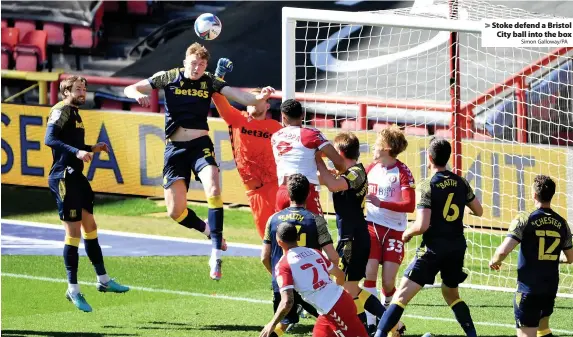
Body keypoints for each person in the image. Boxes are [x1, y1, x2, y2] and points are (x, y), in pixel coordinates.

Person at [124, 43, 274, 280]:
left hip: (200, 146)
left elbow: (241, 96)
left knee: (214, 186)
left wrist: (260, 97)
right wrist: (138, 94)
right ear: (185, 62)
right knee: (176, 212)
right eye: (193, 63)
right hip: (174, 149)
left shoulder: (210, 81)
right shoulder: (169, 76)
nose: (197, 68)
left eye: (202, 64)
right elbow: (131, 88)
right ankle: (207, 230)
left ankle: (215, 254)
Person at [374, 137, 483, 337]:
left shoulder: (427, 185)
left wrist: (407, 233)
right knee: (451, 294)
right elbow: (479, 210)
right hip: (457, 246)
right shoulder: (461, 182)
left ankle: (379, 335)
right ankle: (472, 335)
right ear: (447, 157)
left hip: (433, 249)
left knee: (402, 295)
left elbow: (422, 225)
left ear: (429, 157)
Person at [45, 75, 129, 313]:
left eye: (84, 88)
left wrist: (92, 148)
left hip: (76, 176)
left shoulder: (75, 113)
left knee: (90, 227)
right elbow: (49, 139)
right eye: (78, 89)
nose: (83, 92)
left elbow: (72, 143)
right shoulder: (60, 110)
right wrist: (79, 152)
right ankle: (73, 289)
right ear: (66, 92)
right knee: (73, 233)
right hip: (63, 176)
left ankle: (103, 280)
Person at [316, 132, 386, 333]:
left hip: (352, 239)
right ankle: (386, 325)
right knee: (352, 289)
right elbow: (324, 179)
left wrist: (318, 160)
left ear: (340, 152)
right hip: (354, 236)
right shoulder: (348, 172)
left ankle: (380, 324)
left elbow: (332, 184)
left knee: (341, 288)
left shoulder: (356, 172)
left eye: (333, 154)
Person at [489, 175, 573, 337]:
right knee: (543, 328)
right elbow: (570, 257)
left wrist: (494, 261)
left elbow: (503, 251)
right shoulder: (563, 223)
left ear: (534, 195)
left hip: (529, 290)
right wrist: (556, 259)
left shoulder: (525, 219)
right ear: (552, 195)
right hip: (550, 289)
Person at [211, 58, 282, 239]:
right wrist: (219, 75)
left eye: (258, 99)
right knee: (268, 241)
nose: (253, 103)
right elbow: (217, 96)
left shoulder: (277, 128)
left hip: (279, 187)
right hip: (257, 191)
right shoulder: (237, 119)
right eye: (250, 100)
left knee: (288, 237)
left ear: (267, 105)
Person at [261, 174, 339, 336]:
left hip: (283, 285)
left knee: (280, 324)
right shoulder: (316, 220)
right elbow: (333, 256)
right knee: (332, 322)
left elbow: (264, 257)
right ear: (309, 194)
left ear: (288, 195)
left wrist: (280, 278)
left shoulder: (273, 219)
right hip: (312, 285)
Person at [260, 222, 369, 337]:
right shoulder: (314, 252)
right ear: (297, 237)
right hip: (336, 304)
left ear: (279, 242)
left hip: (334, 310)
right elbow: (340, 275)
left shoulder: (283, 265)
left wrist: (272, 323)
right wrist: (336, 294)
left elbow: (287, 302)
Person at [363, 125, 415, 328]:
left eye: (377, 144)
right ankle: (370, 324)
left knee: (388, 283)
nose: (374, 147)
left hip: (394, 230)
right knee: (369, 275)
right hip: (372, 226)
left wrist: (380, 202)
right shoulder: (370, 168)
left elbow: (409, 205)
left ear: (386, 147)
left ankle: (386, 313)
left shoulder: (402, 172)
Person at [271, 99, 346, 215]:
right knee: (318, 231)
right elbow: (339, 161)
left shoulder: (275, 136)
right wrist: (339, 172)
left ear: (283, 117)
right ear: (303, 115)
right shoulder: (312, 135)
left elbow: (298, 160)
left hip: (283, 192)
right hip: (305, 193)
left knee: (281, 231)